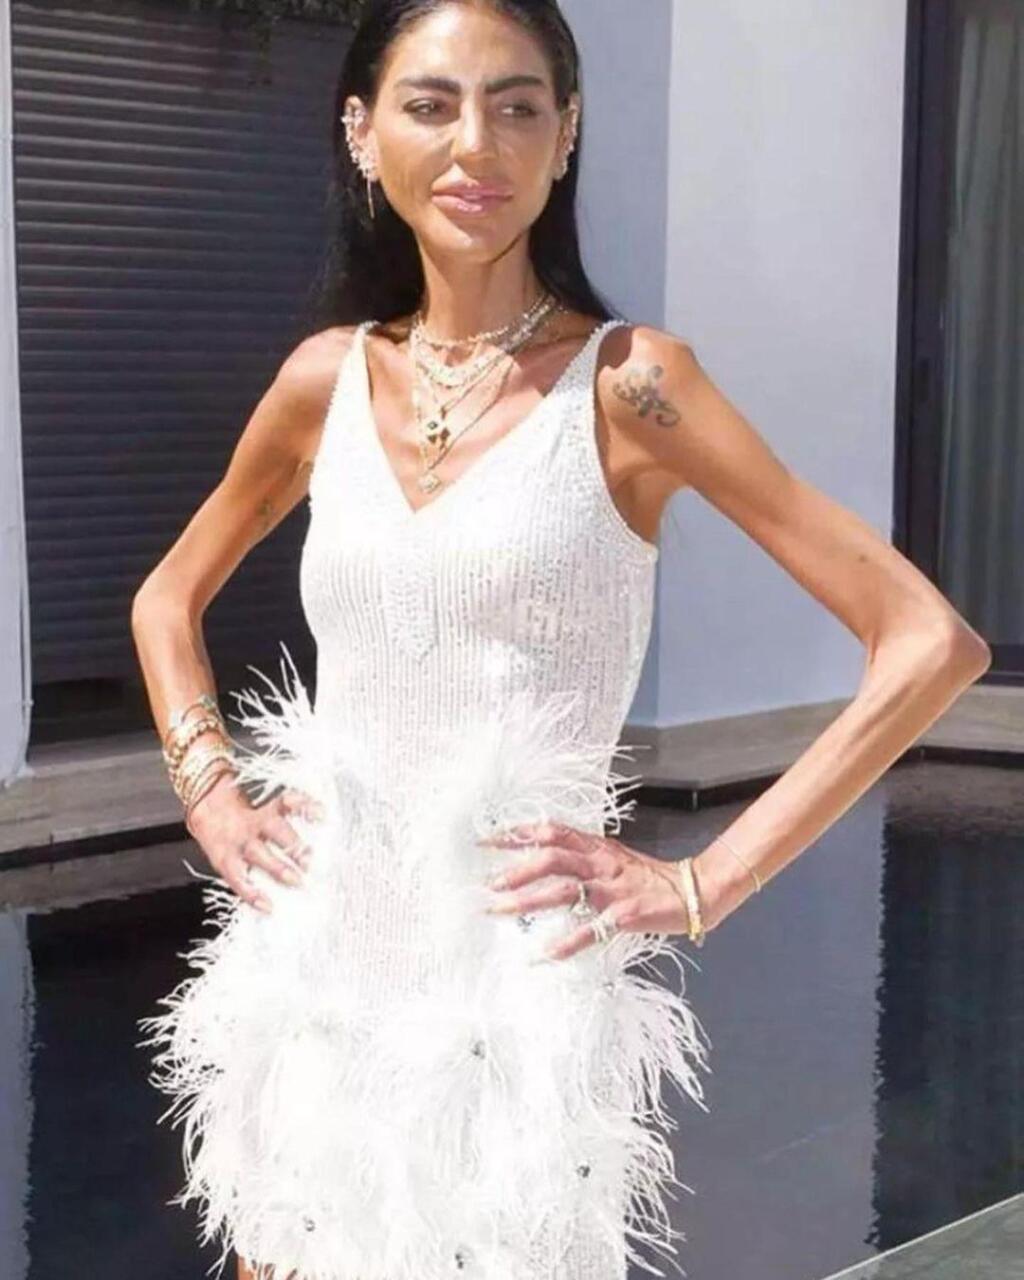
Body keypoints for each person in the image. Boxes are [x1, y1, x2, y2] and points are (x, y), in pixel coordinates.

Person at [131, 2, 991, 1278]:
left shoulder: (634, 385)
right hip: (316, 975)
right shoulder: (325, 379)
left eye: (517, 105)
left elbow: (926, 641)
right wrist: (211, 792)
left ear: (566, 134)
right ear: (362, 133)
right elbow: (166, 598)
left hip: (511, 1004)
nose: (475, 143)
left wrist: (704, 881)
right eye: (431, 104)